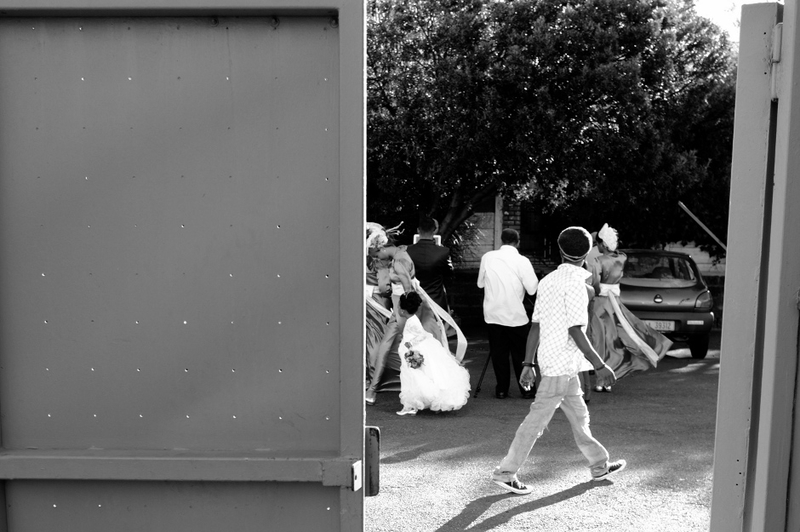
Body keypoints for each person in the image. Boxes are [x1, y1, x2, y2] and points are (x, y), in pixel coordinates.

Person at [491, 226, 626, 495]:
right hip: (561, 366)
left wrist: (528, 364)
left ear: (559, 250)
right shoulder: (578, 285)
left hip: (557, 363)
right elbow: (576, 330)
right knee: (536, 422)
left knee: (579, 416)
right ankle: (505, 472)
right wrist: (600, 365)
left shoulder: (548, 281)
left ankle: (599, 464)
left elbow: (536, 325)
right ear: (588, 253)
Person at [365, 222, 466, 405]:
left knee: (392, 347)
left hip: (404, 310)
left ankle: (375, 389)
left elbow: (408, 288)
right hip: (405, 308)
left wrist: (405, 313)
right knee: (411, 346)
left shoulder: (398, 261)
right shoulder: (401, 254)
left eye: (374, 254)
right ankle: (416, 388)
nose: (375, 258)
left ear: (380, 249)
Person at [587, 224, 673, 393]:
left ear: (603, 244)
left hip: (600, 304)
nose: (597, 247)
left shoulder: (598, 261)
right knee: (613, 339)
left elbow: (595, 285)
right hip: (615, 303)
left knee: (599, 340)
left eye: (598, 244)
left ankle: (600, 380)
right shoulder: (622, 258)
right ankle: (609, 380)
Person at [477, 228, 538, 399]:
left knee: (499, 353)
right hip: (515, 314)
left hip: (493, 313)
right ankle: (526, 389)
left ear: (501, 241)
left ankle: (502, 389)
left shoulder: (487, 257)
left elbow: (480, 284)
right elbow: (532, 289)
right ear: (518, 242)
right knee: (521, 354)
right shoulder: (522, 261)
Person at [395, 291, 471, 416]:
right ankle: (413, 403)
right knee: (413, 375)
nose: (397, 309)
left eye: (398, 306)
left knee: (414, 375)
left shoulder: (412, 322)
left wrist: (409, 345)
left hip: (413, 350)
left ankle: (412, 404)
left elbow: (420, 334)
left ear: (403, 311)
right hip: (413, 349)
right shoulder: (412, 319)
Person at [406, 216, 454, 312]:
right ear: (435, 230)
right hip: (437, 300)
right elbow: (449, 274)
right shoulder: (443, 252)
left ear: (418, 230)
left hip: (413, 301)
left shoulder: (407, 250)